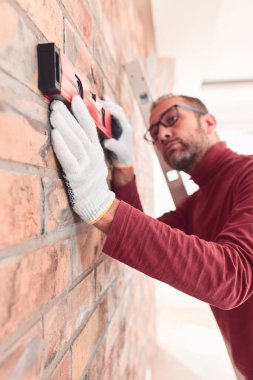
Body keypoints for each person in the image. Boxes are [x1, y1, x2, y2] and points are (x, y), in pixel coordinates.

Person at [50, 93, 253, 379]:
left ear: (209, 121)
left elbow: (232, 276)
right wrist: (123, 165)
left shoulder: (249, 175)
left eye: (172, 119)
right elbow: (145, 239)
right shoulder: (198, 202)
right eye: (154, 133)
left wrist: (100, 204)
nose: (163, 135)